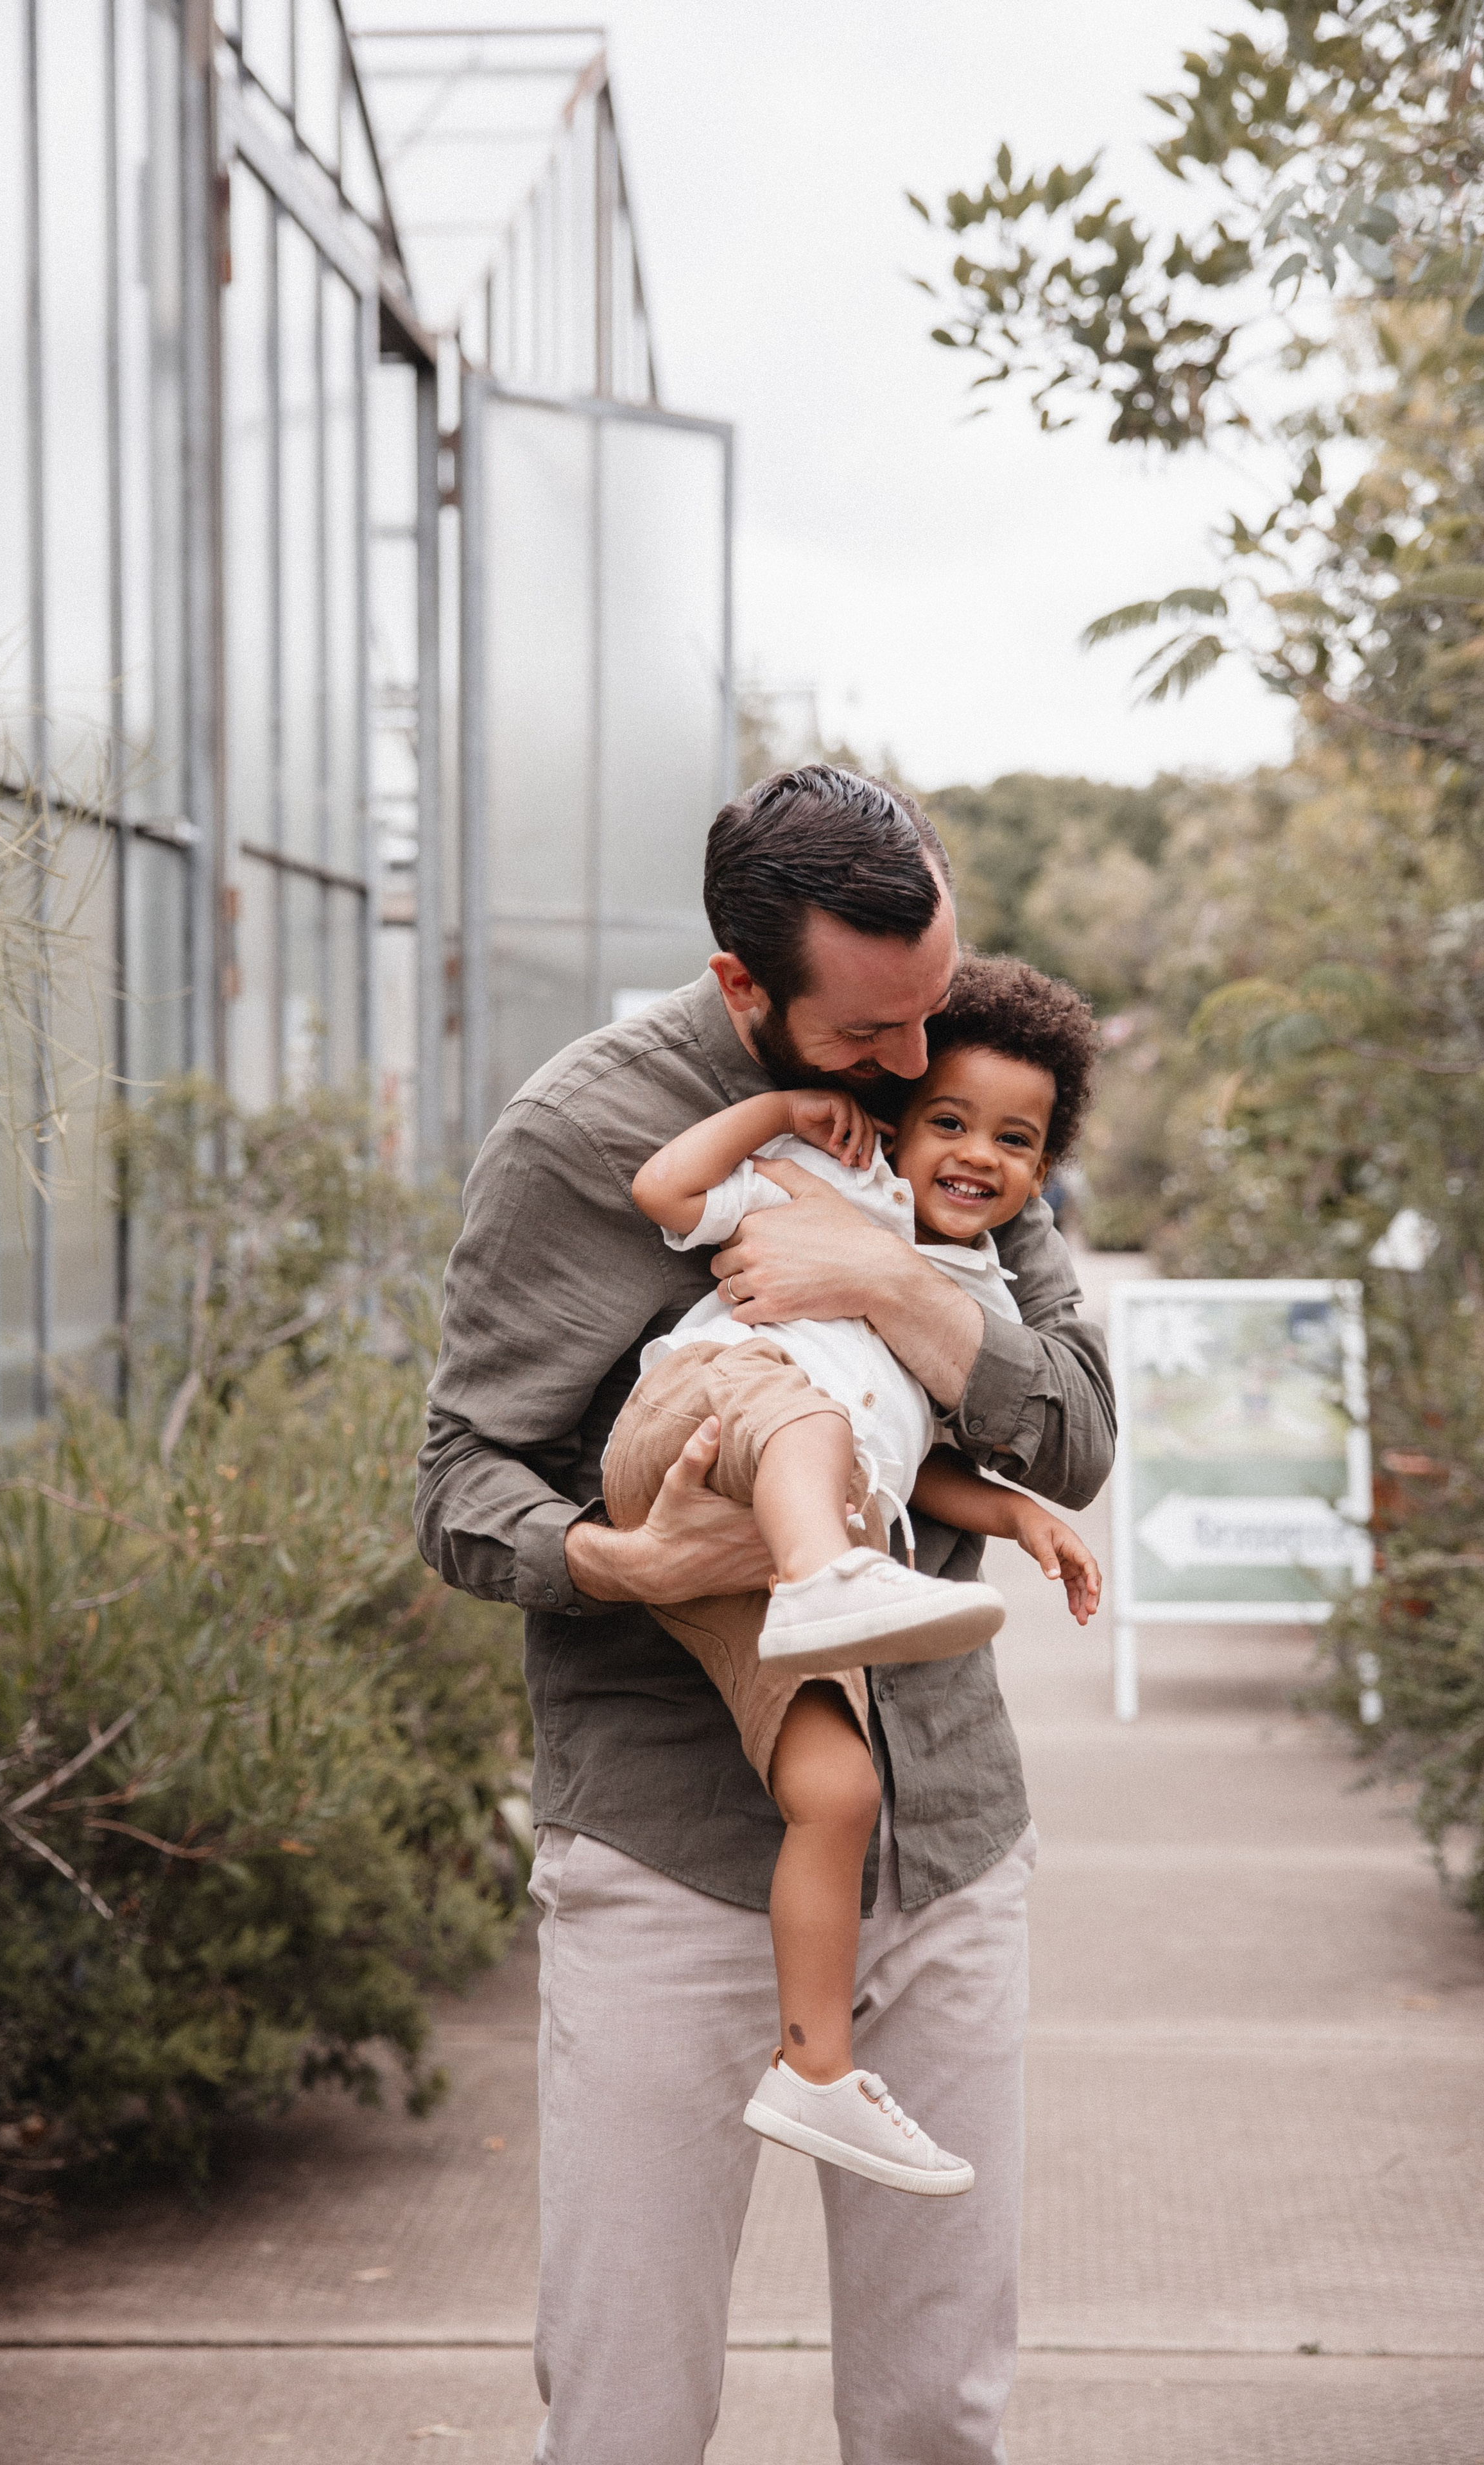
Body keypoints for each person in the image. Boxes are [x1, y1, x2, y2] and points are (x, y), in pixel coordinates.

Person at [415, 765, 1117, 2465]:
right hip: (673, 1844)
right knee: (630, 2407)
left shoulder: (958, 1079)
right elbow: (456, 1482)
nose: (915, 1058)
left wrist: (878, 1278)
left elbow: (1075, 1430)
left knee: (939, 2410)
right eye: (873, 1032)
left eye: (931, 1005)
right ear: (744, 985)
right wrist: (624, 1563)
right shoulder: (584, 1136)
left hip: (944, 1832)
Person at [601, 955, 1103, 2199]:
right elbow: (665, 1188)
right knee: (808, 1421)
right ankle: (829, 1574)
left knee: (837, 1790)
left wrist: (1014, 1513)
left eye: (1013, 1140)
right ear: (894, 1122)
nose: (977, 1154)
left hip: (766, 1548)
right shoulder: (832, 1183)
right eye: (949, 1122)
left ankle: (812, 2068)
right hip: (700, 1425)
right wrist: (779, 1114)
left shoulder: (972, 1296)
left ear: (1044, 1170)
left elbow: (907, 1457)